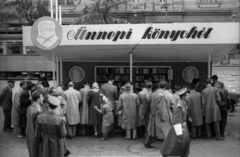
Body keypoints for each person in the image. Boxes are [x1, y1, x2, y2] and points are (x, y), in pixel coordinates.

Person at [161, 88, 191, 157]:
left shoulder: (183, 103)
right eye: (187, 95)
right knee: (177, 142)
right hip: (180, 126)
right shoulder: (179, 105)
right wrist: (179, 131)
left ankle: (180, 154)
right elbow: (177, 119)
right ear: (183, 96)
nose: (188, 96)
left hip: (182, 126)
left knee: (179, 142)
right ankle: (166, 153)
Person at [144, 81, 172, 148]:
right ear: (165, 87)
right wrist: (164, 117)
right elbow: (162, 107)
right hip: (159, 115)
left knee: (152, 130)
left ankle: (147, 142)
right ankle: (167, 146)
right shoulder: (161, 95)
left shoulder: (154, 93)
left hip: (153, 114)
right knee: (165, 129)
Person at [26, 92, 43, 157]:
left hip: (30, 132)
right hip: (36, 134)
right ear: (38, 99)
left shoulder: (29, 107)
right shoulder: (38, 109)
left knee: (32, 151)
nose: (42, 99)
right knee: (37, 152)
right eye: (42, 97)